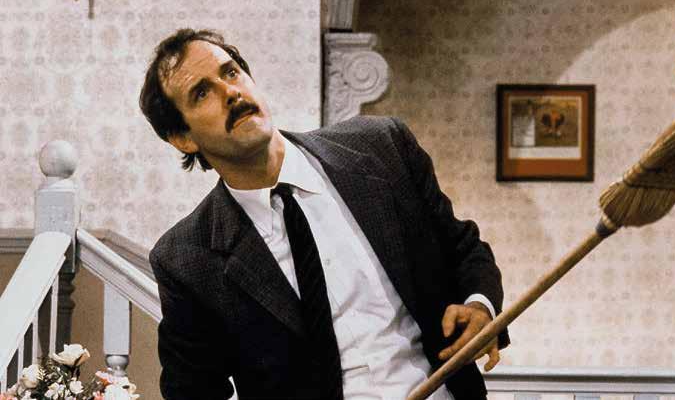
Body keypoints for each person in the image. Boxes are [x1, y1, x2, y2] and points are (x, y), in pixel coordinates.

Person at [139, 28, 509, 400]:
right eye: (202, 93)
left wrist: (480, 305)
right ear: (182, 138)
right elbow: (191, 392)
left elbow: (463, 248)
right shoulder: (186, 260)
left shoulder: (383, 147)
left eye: (231, 72)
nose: (230, 92)